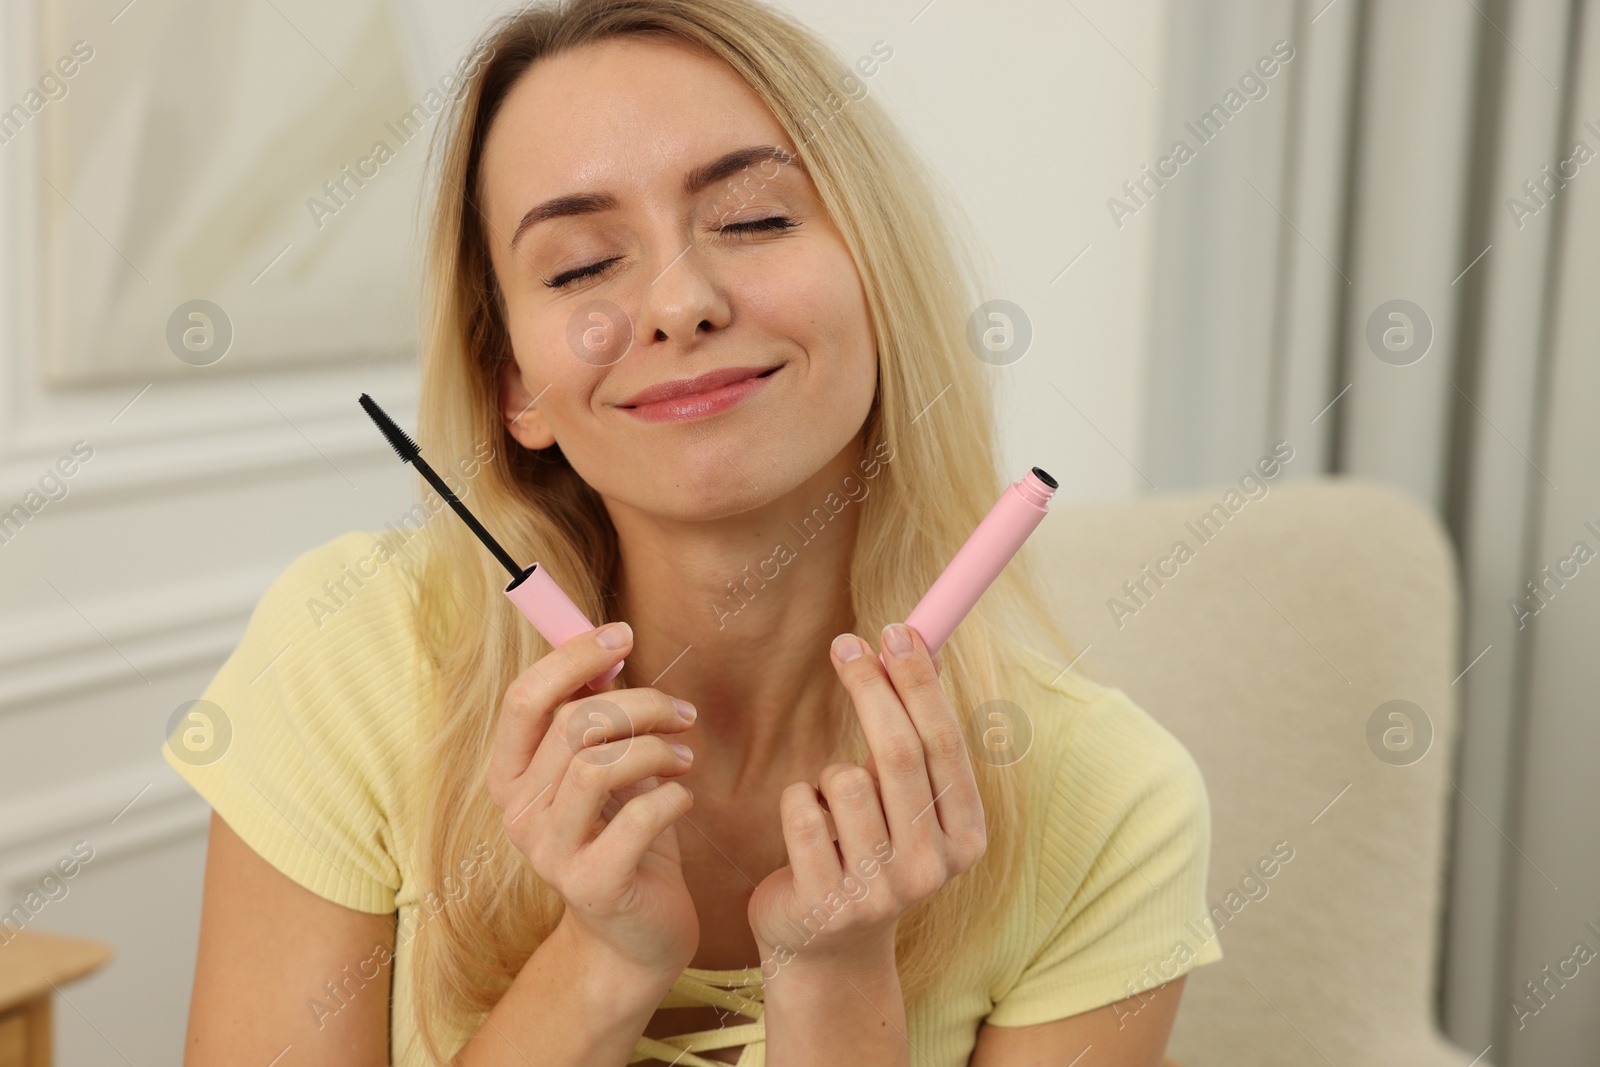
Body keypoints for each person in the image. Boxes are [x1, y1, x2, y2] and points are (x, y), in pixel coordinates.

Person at [163, 1, 1222, 1063]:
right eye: (580, 267)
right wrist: (602, 960)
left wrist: (837, 974)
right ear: (514, 386)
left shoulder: (1111, 805)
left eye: (755, 218)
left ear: (881, 287)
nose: (679, 304)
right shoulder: (354, 654)